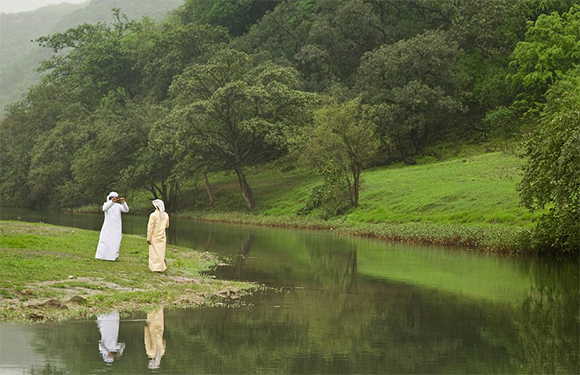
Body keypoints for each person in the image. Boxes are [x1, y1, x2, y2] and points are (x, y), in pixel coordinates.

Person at [95, 192, 129, 261]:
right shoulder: (106, 204)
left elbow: (126, 210)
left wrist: (123, 202)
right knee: (104, 240)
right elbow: (104, 209)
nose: (113, 199)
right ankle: (101, 255)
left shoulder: (118, 206)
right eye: (112, 198)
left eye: (115, 198)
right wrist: (111, 202)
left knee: (115, 241)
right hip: (108, 226)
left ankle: (113, 256)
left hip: (116, 227)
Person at [147, 199, 169, 272]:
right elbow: (167, 225)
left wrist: (148, 238)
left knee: (153, 253)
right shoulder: (165, 215)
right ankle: (161, 267)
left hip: (154, 236)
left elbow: (150, 228)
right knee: (161, 252)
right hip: (162, 236)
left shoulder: (153, 215)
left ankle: (154, 267)